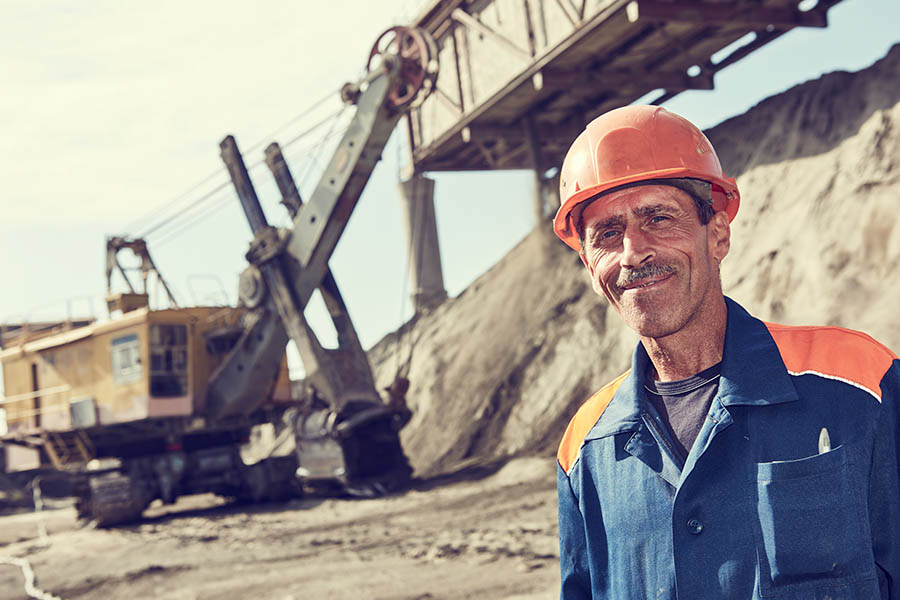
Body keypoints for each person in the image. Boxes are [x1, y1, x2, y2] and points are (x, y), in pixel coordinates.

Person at [553, 104, 900, 599]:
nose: (633, 251)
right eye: (608, 234)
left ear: (717, 235)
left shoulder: (861, 386)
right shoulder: (584, 451)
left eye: (658, 217)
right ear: (590, 266)